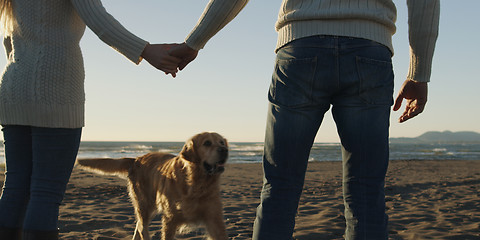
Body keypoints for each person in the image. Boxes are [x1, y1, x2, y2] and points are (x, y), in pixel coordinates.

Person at [170, 0, 440, 239]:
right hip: (369, 51)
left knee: (280, 185)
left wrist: (194, 42)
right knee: (367, 189)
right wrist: (419, 72)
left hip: (301, 47)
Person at [0, 0, 181, 239]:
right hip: (55, 90)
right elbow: (98, 19)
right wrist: (146, 51)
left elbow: (8, 39)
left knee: (15, 187)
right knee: (45, 191)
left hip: (14, 86)